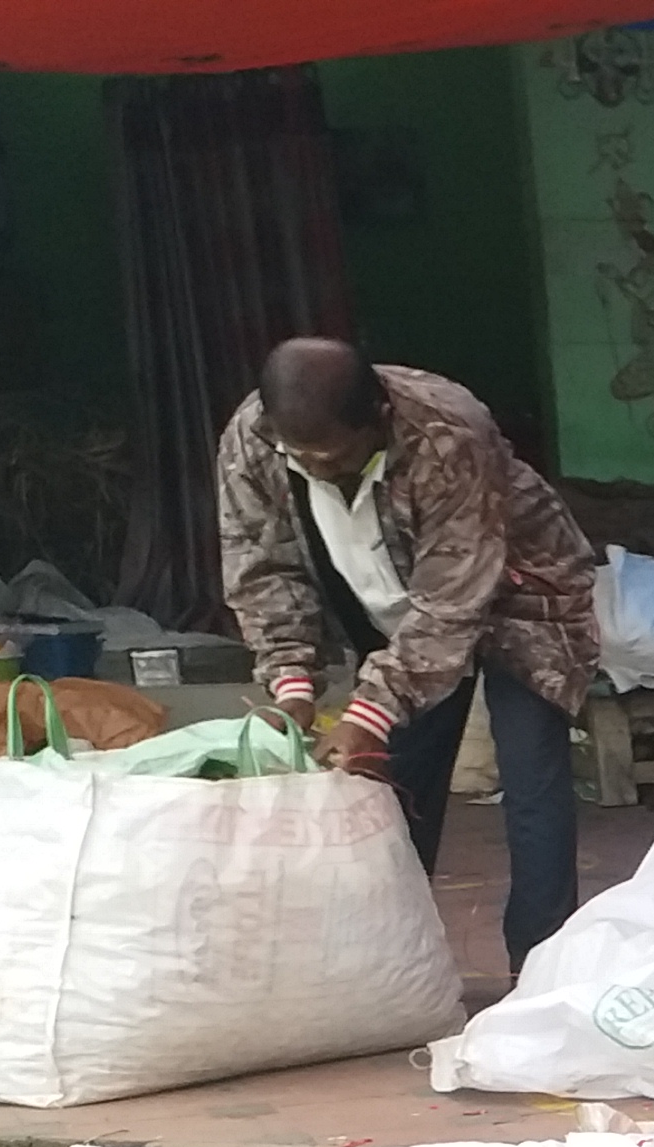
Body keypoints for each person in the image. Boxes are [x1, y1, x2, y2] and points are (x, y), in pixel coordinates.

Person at [214, 338, 599, 971]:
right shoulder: (256, 438)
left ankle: (542, 967)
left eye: (334, 456)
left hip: (525, 595)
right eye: (300, 455)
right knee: (397, 784)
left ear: (378, 417)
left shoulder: (447, 432)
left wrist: (369, 711)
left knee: (532, 779)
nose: (317, 467)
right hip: (394, 610)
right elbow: (261, 566)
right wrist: (292, 685)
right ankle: (392, 962)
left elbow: (452, 601)